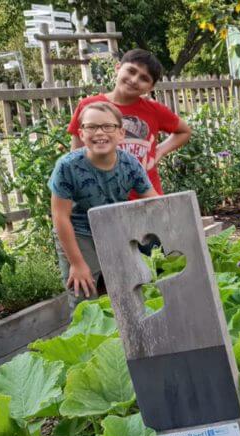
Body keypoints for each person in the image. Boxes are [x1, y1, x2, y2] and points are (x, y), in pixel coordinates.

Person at [51, 102, 159, 308]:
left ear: (121, 133)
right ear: (81, 134)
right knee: (84, 298)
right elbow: (60, 217)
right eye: (91, 127)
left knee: (131, 290)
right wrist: (77, 263)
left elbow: (154, 203)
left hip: (115, 229)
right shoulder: (67, 166)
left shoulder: (130, 164)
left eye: (107, 126)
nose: (99, 132)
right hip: (78, 233)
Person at [68, 49, 192, 199]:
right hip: (102, 198)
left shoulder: (154, 110)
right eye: (131, 71)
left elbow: (184, 131)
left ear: (150, 87)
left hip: (147, 197)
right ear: (118, 68)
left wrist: (160, 151)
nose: (134, 80)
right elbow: (75, 154)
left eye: (144, 78)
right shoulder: (88, 106)